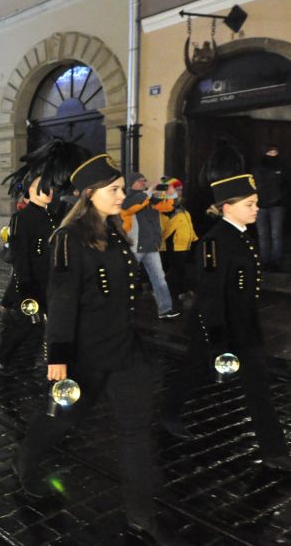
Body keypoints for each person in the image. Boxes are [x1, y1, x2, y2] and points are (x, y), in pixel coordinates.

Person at [13, 154, 173, 544]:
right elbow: (62, 300)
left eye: (121, 188)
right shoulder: (69, 239)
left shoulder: (115, 231)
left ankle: (141, 516)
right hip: (86, 355)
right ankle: (27, 464)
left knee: (135, 431)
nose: (123, 194)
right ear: (90, 194)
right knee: (61, 421)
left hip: (125, 350)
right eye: (114, 189)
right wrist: (59, 359)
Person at [160, 164, 291, 471]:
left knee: (257, 385)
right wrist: (218, 341)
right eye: (250, 204)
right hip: (213, 327)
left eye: (256, 203)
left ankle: (274, 450)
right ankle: (168, 412)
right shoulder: (215, 242)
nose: (256, 208)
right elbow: (211, 295)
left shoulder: (243, 235)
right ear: (227, 207)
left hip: (244, 327)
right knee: (193, 373)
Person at [0, 176, 57, 373]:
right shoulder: (22, 217)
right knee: (25, 324)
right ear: (31, 190)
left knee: (52, 324)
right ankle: (2, 356)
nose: (49, 191)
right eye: (43, 187)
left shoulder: (52, 215)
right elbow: (20, 255)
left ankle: (43, 359)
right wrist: (26, 286)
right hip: (33, 283)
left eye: (51, 187)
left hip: (52, 281)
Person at [121, 172, 180, 319]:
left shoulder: (149, 198)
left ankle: (165, 310)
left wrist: (171, 194)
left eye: (145, 180)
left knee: (159, 278)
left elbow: (166, 207)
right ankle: (121, 311)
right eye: (140, 180)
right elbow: (132, 206)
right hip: (135, 246)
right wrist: (149, 192)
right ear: (132, 183)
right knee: (126, 280)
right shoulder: (127, 199)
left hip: (151, 246)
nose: (144, 182)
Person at [154, 178, 196, 307]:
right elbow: (163, 226)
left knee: (177, 268)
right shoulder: (167, 206)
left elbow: (186, 223)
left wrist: (193, 237)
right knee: (179, 268)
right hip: (173, 243)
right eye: (176, 189)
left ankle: (162, 288)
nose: (179, 192)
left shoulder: (180, 206)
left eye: (180, 189)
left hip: (184, 243)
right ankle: (182, 292)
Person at [252, 145, 289, 271]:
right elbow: (252, 185)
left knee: (275, 235)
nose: (272, 154)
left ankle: (275, 262)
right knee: (263, 235)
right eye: (270, 152)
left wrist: (282, 199)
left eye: (275, 152)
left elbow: (287, 185)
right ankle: (265, 261)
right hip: (261, 205)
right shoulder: (257, 168)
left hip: (277, 206)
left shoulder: (283, 167)